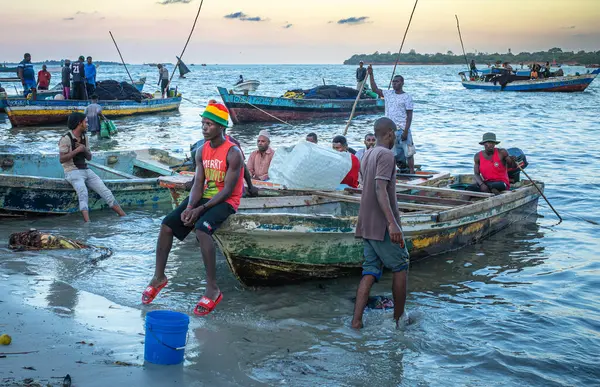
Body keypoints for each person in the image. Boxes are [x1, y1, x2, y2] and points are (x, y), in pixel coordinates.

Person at [142, 101, 245, 316]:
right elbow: (198, 184)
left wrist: (200, 210)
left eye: (209, 124)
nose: (204, 127)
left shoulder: (233, 153)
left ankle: (212, 289)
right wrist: (190, 206)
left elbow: (228, 191)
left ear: (221, 127)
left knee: (201, 229)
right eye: (203, 123)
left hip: (226, 201)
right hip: (204, 197)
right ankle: (159, 277)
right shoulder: (201, 151)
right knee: (167, 225)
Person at [352, 117, 409, 330]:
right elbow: (379, 189)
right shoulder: (386, 154)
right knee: (401, 265)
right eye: (394, 135)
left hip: (366, 222)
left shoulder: (367, 154)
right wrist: (392, 223)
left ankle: (356, 321)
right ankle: (399, 320)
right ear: (390, 133)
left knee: (370, 271)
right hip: (382, 224)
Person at [58, 112, 126, 222]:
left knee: (106, 192)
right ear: (79, 123)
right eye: (86, 122)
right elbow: (62, 159)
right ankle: (87, 223)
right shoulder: (66, 138)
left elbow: (89, 157)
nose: (88, 124)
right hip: (72, 171)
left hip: (85, 170)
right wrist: (77, 150)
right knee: (83, 193)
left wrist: (84, 149)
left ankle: (123, 216)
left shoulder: (85, 137)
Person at [368, 65, 415, 173]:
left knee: (409, 152)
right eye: (393, 82)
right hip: (390, 131)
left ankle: (412, 172)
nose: (394, 83)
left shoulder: (407, 96)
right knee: (391, 153)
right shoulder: (388, 93)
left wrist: (406, 131)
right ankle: (391, 172)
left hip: (403, 129)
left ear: (402, 83)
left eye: (397, 82)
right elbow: (374, 89)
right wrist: (371, 74)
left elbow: (409, 115)